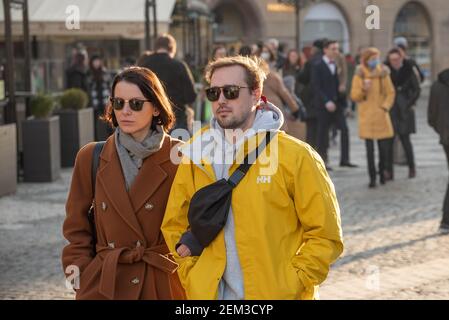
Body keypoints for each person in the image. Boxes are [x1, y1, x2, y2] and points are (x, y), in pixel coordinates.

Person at [161, 55, 344, 300]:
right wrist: (191, 274)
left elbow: (325, 234)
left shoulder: (297, 156)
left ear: (256, 94)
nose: (222, 100)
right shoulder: (194, 154)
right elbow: (174, 224)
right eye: (214, 93)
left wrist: (294, 280)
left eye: (232, 91)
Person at [62, 67, 185, 300]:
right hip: (106, 282)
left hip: (161, 284)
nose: (125, 111)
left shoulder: (181, 156)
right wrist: (81, 275)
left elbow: (194, 226)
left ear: (156, 107)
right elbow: (75, 227)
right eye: (118, 103)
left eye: (136, 104)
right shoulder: (91, 156)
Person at [351, 48, 396, 188]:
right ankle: (372, 178)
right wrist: (364, 88)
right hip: (367, 118)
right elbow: (354, 96)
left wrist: (385, 107)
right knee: (369, 151)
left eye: (376, 58)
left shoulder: (383, 73)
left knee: (384, 149)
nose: (374, 61)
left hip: (381, 116)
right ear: (365, 59)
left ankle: (382, 173)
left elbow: (391, 92)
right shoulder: (359, 75)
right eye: (372, 58)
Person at [311, 40, 356, 170]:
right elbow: (316, 86)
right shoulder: (317, 64)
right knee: (323, 134)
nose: (336, 51)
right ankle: (322, 161)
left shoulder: (337, 64)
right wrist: (326, 101)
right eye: (333, 48)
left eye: (337, 48)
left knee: (344, 129)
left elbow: (340, 83)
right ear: (325, 50)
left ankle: (345, 159)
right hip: (323, 105)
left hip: (337, 104)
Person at [138, 34, 197, 132]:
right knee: (177, 147)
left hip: (148, 120)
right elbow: (191, 96)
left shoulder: (143, 64)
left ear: (156, 47)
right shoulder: (179, 66)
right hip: (175, 119)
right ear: (172, 49)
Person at [385, 47, 420, 179]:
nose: (394, 62)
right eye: (392, 59)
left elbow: (417, 89)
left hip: (405, 109)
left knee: (406, 141)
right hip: (391, 109)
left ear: (401, 58)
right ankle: (388, 171)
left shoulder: (409, 69)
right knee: (389, 142)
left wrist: (409, 103)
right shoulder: (385, 70)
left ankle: (412, 167)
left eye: (397, 59)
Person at [260, 45, 305, 140]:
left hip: (259, 109)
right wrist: (295, 109)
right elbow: (284, 92)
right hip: (273, 108)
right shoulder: (271, 74)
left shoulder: (250, 74)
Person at [427, 67, 449, 234]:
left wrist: (443, 131)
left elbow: (431, 117)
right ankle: (446, 220)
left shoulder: (436, 84)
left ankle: (445, 221)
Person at [297, 39, 325, 149]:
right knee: (322, 131)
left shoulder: (311, 61)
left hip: (311, 100)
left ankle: (311, 153)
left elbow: (302, 78)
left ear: (315, 48)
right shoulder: (327, 61)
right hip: (324, 101)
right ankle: (322, 155)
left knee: (311, 130)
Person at [87, 55, 113, 140]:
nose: (96, 63)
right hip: (94, 102)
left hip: (105, 101)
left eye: (98, 61)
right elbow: (88, 87)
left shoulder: (105, 72)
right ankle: (97, 142)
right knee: (95, 125)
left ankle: (111, 140)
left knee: (109, 122)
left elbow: (110, 86)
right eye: (94, 61)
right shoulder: (89, 73)